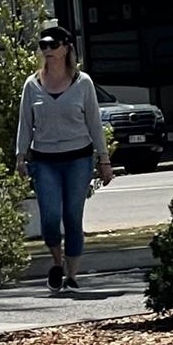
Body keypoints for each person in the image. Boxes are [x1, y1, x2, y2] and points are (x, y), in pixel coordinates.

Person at [15, 26, 115, 293]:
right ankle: (56, 263)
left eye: (52, 45)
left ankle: (72, 273)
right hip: (44, 159)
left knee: (73, 216)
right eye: (43, 45)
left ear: (67, 48)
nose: (47, 50)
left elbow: (94, 123)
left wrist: (104, 160)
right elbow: (25, 123)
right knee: (50, 217)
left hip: (78, 159)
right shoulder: (32, 84)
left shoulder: (83, 83)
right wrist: (20, 156)